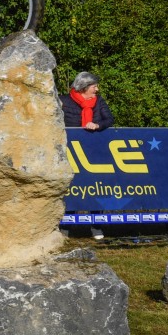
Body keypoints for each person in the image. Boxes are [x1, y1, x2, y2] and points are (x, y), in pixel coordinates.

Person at [59, 71, 115, 240]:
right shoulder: (63, 101)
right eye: (94, 86)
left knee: (96, 187)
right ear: (84, 87)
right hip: (70, 152)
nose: (97, 89)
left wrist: (97, 125)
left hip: (94, 151)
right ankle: (65, 227)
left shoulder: (99, 101)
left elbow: (109, 119)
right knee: (71, 189)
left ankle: (96, 227)